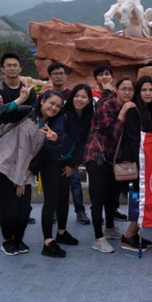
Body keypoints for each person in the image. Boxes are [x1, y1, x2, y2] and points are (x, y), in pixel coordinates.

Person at [0, 88, 64, 256]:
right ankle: (7, 240)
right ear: (42, 101)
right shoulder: (25, 112)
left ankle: (18, 238)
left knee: (24, 208)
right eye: (51, 103)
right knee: (10, 207)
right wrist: (20, 99)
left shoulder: (52, 127)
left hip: (24, 170)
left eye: (58, 106)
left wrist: (55, 141)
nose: (54, 108)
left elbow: (42, 156)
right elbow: (0, 114)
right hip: (1, 164)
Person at [39, 84, 94, 257]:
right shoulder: (63, 115)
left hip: (66, 164)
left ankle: (61, 233)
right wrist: (57, 141)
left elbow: (82, 143)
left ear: (89, 100)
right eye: (76, 95)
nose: (79, 99)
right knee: (51, 201)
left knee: (63, 199)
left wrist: (72, 164)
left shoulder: (86, 117)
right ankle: (47, 242)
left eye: (83, 96)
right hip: (51, 161)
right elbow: (57, 138)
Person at [84, 77, 136, 254]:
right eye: (123, 88)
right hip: (96, 155)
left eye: (130, 89)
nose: (127, 92)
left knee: (112, 195)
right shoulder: (107, 106)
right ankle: (98, 238)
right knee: (98, 198)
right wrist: (123, 113)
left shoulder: (131, 107)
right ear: (117, 90)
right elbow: (112, 133)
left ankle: (110, 228)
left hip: (113, 160)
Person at [0, 53, 37, 230]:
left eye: (15, 65)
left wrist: (9, 109)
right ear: (2, 69)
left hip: (23, 139)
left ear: (20, 68)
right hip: (3, 139)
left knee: (21, 174)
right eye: (8, 65)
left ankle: (22, 211)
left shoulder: (28, 90)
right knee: (1, 175)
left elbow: (33, 112)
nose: (12, 68)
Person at [39, 62, 90, 225]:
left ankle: (80, 210)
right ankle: (54, 211)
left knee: (74, 180)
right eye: (55, 73)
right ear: (50, 76)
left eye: (61, 73)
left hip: (68, 150)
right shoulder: (44, 95)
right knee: (52, 185)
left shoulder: (72, 94)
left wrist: (74, 160)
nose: (59, 76)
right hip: (51, 147)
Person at [119, 76, 152, 252]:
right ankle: (128, 236)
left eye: (151, 90)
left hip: (143, 163)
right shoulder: (134, 111)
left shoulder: (150, 110)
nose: (148, 93)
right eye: (144, 90)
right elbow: (135, 140)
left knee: (141, 199)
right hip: (136, 165)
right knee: (139, 200)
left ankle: (134, 234)